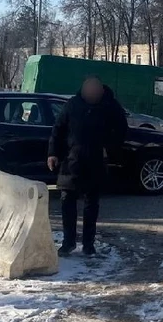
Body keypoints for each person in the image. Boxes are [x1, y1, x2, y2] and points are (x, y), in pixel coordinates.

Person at [47, 76, 128, 256]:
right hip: (71, 161)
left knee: (91, 205)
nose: (90, 95)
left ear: (100, 92)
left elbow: (122, 130)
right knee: (67, 202)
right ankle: (68, 243)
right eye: (87, 92)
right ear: (83, 91)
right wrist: (52, 153)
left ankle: (88, 244)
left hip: (95, 162)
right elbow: (58, 130)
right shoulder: (72, 105)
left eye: (94, 93)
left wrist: (109, 148)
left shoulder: (110, 106)